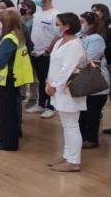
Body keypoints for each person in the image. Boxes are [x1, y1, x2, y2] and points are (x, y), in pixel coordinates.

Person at [0, 10, 34, 151]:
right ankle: (5, 139)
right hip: (12, 78)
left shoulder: (9, 39)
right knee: (9, 111)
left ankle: (9, 142)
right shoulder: (16, 35)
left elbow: (2, 60)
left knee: (7, 113)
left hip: (8, 79)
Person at [45, 12, 87, 172]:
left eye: (57, 24)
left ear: (67, 26)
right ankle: (67, 156)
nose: (55, 27)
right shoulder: (59, 42)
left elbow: (67, 69)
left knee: (71, 125)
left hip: (69, 89)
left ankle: (74, 161)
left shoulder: (75, 44)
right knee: (66, 124)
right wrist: (48, 82)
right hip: (57, 88)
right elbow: (54, 65)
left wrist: (55, 85)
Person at [26, 0, 60, 119]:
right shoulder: (37, 14)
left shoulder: (55, 14)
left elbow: (57, 35)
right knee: (40, 80)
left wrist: (47, 51)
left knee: (49, 80)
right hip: (35, 53)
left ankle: (50, 107)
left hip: (47, 54)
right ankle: (41, 104)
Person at [77, 12, 109, 148]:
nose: (80, 24)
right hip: (83, 79)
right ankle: (82, 137)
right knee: (83, 112)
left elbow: (88, 58)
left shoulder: (96, 38)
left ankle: (91, 139)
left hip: (95, 81)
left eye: (83, 22)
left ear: (91, 25)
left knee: (93, 112)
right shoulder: (81, 36)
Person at [91, 4, 111, 135]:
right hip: (104, 62)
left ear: (104, 12)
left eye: (97, 10)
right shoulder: (94, 28)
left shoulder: (108, 24)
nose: (94, 13)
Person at [20, 0, 38, 108]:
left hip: (29, 49)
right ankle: (22, 93)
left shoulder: (34, 21)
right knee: (21, 72)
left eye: (24, 6)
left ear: (30, 9)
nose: (22, 8)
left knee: (32, 75)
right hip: (20, 50)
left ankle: (33, 96)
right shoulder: (20, 19)